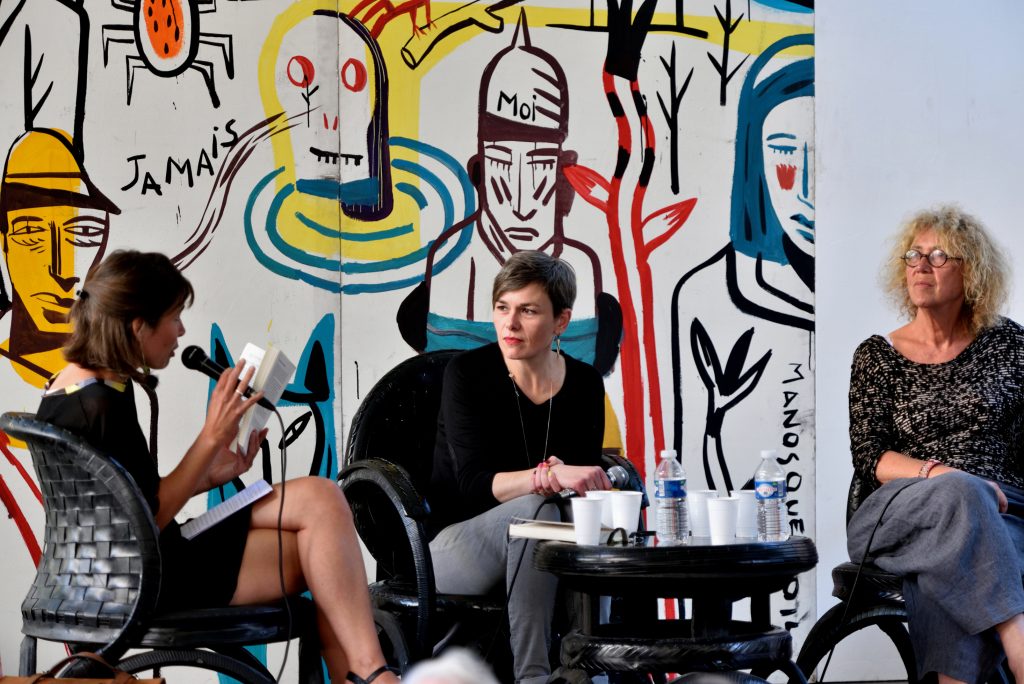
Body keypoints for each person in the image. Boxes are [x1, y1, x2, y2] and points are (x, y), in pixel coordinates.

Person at [35, 251, 399, 684]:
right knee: (321, 556)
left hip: (131, 567)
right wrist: (209, 438)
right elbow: (145, 519)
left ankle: (367, 673)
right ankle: (372, 674)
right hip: (142, 580)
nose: (181, 331)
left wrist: (210, 474)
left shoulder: (80, 387)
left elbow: (131, 500)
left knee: (320, 500)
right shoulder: (96, 403)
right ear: (138, 326)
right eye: (174, 318)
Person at [846, 205, 1024, 684]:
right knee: (963, 494)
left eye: (939, 255)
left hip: (1003, 511)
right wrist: (946, 476)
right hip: (903, 511)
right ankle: (1019, 641)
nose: (921, 265)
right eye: (914, 255)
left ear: (973, 272)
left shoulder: (1010, 347)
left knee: (956, 561)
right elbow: (870, 456)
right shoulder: (877, 356)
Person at [427, 249, 610, 684]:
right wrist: (548, 477)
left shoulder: (585, 385)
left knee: (598, 520)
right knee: (536, 511)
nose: (510, 324)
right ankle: (533, 677)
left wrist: (571, 483)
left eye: (528, 311)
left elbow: (581, 493)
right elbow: (471, 486)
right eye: (502, 308)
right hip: (453, 548)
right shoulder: (467, 374)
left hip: (545, 545)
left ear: (561, 321)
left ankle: (594, 668)